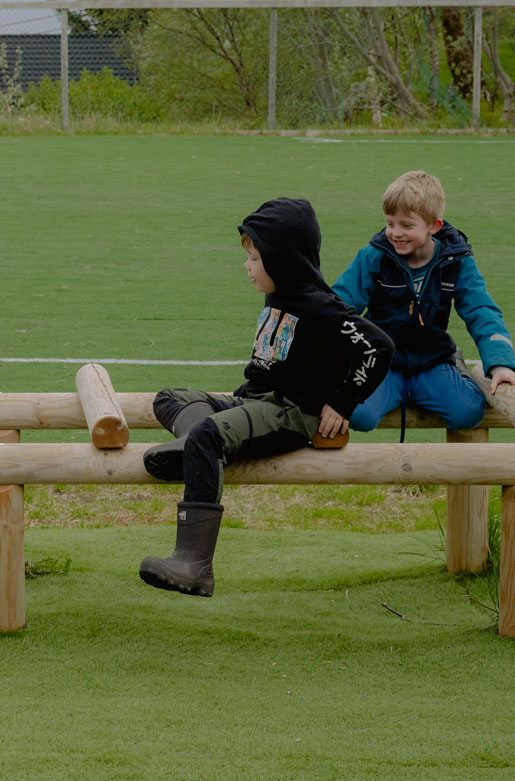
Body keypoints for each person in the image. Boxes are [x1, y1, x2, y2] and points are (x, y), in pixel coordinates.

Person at [140, 198, 393, 597]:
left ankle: (193, 565)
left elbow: (378, 348)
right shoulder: (280, 293)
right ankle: (192, 448)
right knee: (169, 398)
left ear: (284, 259)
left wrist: (343, 403)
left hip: (289, 413)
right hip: (256, 401)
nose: (247, 266)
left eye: (255, 258)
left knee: (208, 434)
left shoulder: (320, 306)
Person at [331, 170, 515, 435]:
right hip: (382, 363)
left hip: (431, 360)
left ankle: (457, 370)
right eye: (390, 223)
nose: (395, 233)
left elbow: (481, 310)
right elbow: (339, 306)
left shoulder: (456, 261)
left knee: (467, 414)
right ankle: (391, 391)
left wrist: (501, 364)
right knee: (359, 415)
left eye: (406, 225)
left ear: (434, 226)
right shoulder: (373, 257)